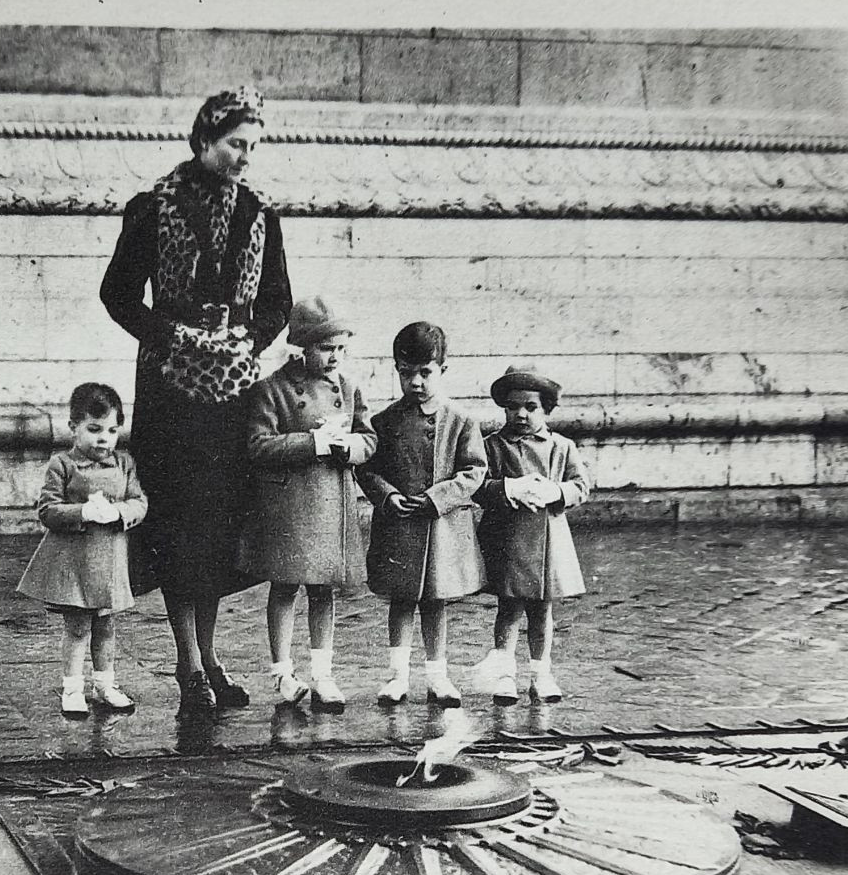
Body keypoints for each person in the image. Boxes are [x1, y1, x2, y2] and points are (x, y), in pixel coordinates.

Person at [99, 85, 293, 718]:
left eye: (253, 147)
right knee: (177, 522)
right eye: (236, 144)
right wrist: (172, 335)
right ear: (203, 139)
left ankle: (210, 657)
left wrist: (249, 340)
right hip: (170, 392)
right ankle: (188, 665)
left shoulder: (261, 213)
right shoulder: (151, 207)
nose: (245, 158)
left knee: (216, 526)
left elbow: (278, 302)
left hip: (232, 392)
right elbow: (119, 296)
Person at [237, 297, 376, 712]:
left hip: (331, 501)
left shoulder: (348, 389)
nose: (336, 357)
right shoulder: (271, 389)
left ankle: (323, 674)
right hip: (289, 507)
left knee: (323, 591)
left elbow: (369, 438)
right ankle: (281, 672)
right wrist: (312, 442)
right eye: (326, 348)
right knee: (284, 588)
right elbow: (258, 446)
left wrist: (348, 445)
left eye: (342, 348)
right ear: (302, 347)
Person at [357, 322, 488, 707]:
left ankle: (437, 677)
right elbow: (367, 469)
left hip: (442, 527)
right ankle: (397, 676)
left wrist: (437, 497)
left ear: (443, 370)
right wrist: (387, 495)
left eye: (425, 373)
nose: (415, 382)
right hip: (398, 526)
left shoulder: (461, 422)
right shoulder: (383, 422)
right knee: (401, 600)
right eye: (406, 372)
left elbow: (474, 471)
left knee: (436, 602)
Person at [16, 383, 147, 716]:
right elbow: (47, 510)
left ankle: (105, 685)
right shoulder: (62, 465)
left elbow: (139, 502)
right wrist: (82, 512)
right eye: (94, 429)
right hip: (76, 561)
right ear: (73, 427)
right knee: (77, 628)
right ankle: (72, 688)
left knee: (106, 627)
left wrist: (121, 512)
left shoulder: (124, 464)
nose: (103, 438)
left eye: (112, 430)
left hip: (110, 559)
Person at [468, 366, 592, 705]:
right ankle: (504, 674)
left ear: (547, 408)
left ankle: (541, 674)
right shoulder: (493, 446)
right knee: (508, 610)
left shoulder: (561, 447)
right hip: (507, 539)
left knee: (542, 612)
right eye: (512, 406)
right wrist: (506, 488)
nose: (520, 414)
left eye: (531, 407)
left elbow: (582, 486)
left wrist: (558, 492)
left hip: (548, 541)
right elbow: (478, 486)